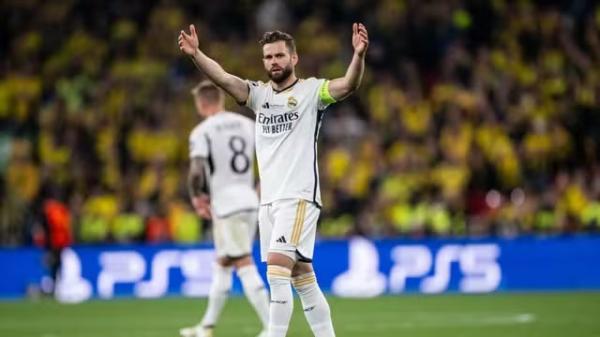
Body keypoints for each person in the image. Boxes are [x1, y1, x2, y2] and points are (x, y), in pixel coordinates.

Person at [178, 22, 369, 337]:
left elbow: (348, 85)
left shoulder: (312, 91)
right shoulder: (258, 95)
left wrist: (358, 56)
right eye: (268, 57)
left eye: (280, 55)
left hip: (297, 197)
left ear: (294, 58)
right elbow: (223, 78)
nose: (273, 62)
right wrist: (196, 54)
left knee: (277, 270)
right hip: (266, 201)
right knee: (302, 277)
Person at [180, 81, 269, 337]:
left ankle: (272, 327)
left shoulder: (202, 131)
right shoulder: (247, 125)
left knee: (242, 261)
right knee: (223, 262)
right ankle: (206, 327)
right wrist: (263, 184)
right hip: (250, 200)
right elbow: (269, 155)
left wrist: (197, 197)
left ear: (201, 104)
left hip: (226, 204)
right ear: (220, 99)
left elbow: (197, 170)